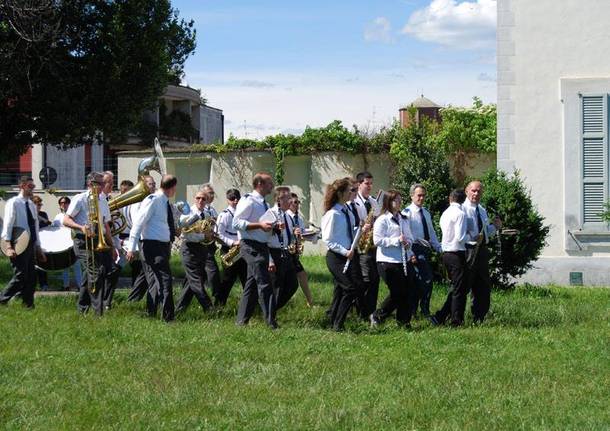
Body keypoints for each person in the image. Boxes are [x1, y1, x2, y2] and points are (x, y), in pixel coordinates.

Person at [127, 175, 178, 322]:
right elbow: (138, 223)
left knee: (155, 281)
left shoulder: (163, 201)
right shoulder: (153, 200)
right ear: (173, 187)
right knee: (165, 280)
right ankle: (168, 318)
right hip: (152, 246)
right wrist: (131, 247)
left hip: (161, 246)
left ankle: (152, 312)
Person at [63, 172, 115, 315]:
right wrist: (81, 227)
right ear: (89, 184)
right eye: (99, 183)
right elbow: (66, 220)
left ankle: (82, 308)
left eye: (102, 183)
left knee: (96, 273)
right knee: (95, 273)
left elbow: (106, 226)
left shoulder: (103, 200)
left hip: (99, 239)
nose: (102, 186)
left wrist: (112, 246)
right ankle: (98, 312)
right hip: (82, 240)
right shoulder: (80, 199)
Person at [232, 172, 277, 329]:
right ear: (260, 184)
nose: (272, 186)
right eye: (269, 183)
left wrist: (274, 227)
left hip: (261, 246)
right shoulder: (249, 200)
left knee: (251, 286)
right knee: (265, 283)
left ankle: (240, 322)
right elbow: (236, 222)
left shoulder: (263, 203)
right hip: (251, 246)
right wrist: (259, 226)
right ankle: (271, 323)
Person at [370, 190, 417, 328]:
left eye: (400, 199)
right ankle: (378, 315)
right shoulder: (382, 220)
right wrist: (396, 240)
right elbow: (377, 241)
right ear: (388, 202)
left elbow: (410, 237)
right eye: (395, 199)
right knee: (397, 292)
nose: (399, 202)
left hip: (403, 260)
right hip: (387, 261)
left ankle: (404, 322)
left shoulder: (403, 218)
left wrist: (408, 243)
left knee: (408, 291)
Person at [321, 177, 363, 331]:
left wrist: (360, 231)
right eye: (349, 191)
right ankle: (338, 324)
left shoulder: (347, 211)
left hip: (349, 254)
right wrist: (345, 251)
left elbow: (348, 231)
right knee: (349, 288)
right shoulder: (332, 214)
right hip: (336, 257)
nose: (352, 193)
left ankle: (333, 320)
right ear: (340, 193)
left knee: (343, 289)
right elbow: (328, 239)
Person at [0, 176, 46, 307]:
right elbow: (8, 224)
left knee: (31, 277)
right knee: (21, 275)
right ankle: (2, 299)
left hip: (30, 244)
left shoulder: (31, 204)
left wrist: (38, 247)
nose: (33, 189)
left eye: (33, 186)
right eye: (30, 186)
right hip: (18, 243)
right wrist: (8, 246)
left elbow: (35, 227)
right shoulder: (13, 202)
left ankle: (28, 305)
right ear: (22, 186)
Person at [463, 180, 502, 324]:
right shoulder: (462, 210)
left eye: (479, 191)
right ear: (467, 191)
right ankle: (452, 316)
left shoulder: (482, 210)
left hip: (482, 251)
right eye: (473, 190)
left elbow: (485, 232)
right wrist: (472, 238)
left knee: (483, 285)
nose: (476, 193)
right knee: (465, 284)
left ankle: (479, 317)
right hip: (469, 250)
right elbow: (458, 234)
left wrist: (495, 227)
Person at [401, 184, 442, 317]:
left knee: (423, 281)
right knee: (426, 279)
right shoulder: (407, 213)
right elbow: (406, 235)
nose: (422, 198)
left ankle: (418, 310)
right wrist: (410, 253)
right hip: (414, 249)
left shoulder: (426, 213)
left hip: (425, 249)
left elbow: (431, 232)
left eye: (423, 195)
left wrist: (439, 247)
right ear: (412, 196)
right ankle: (419, 310)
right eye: (419, 195)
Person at [430, 189, 468, 326]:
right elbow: (460, 237)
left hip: (446, 253)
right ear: (463, 200)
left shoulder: (445, 213)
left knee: (457, 286)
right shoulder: (460, 213)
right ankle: (455, 319)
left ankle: (442, 316)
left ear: (450, 198)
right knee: (459, 288)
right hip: (456, 252)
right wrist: (473, 238)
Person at [175, 187, 215, 315]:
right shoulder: (188, 213)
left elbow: (209, 231)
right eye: (198, 198)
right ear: (194, 199)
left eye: (203, 199)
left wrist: (211, 234)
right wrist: (204, 236)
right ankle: (209, 308)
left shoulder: (207, 215)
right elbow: (187, 235)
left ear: (207, 200)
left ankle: (179, 309)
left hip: (202, 249)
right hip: (189, 249)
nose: (200, 200)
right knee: (196, 280)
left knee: (191, 281)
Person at [353, 171, 380, 320]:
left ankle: (371, 311)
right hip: (360, 245)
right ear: (359, 184)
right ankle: (361, 312)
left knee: (374, 280)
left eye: (371, 183)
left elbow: (376, 218)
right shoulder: (354, 201)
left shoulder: (373, 201)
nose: (369, 186)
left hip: (373, 244)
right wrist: (363, 227)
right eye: (366, 183)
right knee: (366, 279)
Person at [267, 186, 299, 310]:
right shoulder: (270, 214)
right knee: (277, 287)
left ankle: (272, 309)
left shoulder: (287, 216)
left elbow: (288, 236)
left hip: (285, 253)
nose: (291, 201)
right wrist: (269, 259)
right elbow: (263, 240)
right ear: (279, 200)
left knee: (292, 284)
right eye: (288, 198)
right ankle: (270, 316)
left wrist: (295, 234)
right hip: (274, 253)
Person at [125, 175, 155, 302]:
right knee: (151, 274)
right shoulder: (138, 202)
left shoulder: (154, 200)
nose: (154, 186)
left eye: (154, 183)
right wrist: (131, 248)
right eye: (150, 184)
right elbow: (137, 224)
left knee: (145, 273)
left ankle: (133, 300)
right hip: (146, 241)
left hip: (155, 241)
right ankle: (153, 304)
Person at [215, 188, 247, 306]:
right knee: (228, 279)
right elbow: (218, 233)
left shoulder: (242, 214)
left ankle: (251, 306)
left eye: (237, 198)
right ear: (228, 200)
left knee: (246, 278)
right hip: (229, 249)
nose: (235, 200)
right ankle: (219, 305)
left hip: (241, 249)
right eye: (232, 198)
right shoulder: (225, 215)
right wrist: (232, 243)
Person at [285, 193, 313, 307]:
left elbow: (301, 234)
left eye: (298, 202)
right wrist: (292, 231)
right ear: (289, 203)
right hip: (286, 252)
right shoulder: (285, 216)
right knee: (297, 277)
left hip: (294, 252)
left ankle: (310, 302)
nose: (297, 205)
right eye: (295, 202)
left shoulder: (299, 218)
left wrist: (308, 236)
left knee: (302, 275)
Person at [199, 183, 222, 303]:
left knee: (198, 276)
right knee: (213, 273)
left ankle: (182, 305)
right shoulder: (199, 209)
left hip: (211, 244)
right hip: (202, 244)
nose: (212, 196)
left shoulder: (212, 209)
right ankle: (216, 300)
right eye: (209, 193)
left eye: (213, 193)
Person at [53, 196, 82, 291]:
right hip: (62, 244)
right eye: (61, 203)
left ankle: (80, 286)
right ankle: (66, 286)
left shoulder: (74, 215)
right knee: (64, 266)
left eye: (65, 202)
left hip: (73, 242)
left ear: (69, 204)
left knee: (76, 265)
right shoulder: (57, 217)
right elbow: (54, 230)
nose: (63, 204)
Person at [101, 171, 121, 310]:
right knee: (103, 272)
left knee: (113, 270)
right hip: (98, 241)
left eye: (113, 181)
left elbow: (112, 224)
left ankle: (106, 302)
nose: (112, 184)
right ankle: (100, 302)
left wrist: (115, 245)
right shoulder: (97, 200)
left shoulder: (108, 200)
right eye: (110, 182)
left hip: (110, 241)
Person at [32, 195, 51, 291]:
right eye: (37, 204)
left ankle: (44, 284)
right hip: (31, 242)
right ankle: (32, 285)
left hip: (42, 242)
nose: (39, 206)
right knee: (32, 265)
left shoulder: (43, 214)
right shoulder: (29, 214)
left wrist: (39, 216)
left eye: (40, 204)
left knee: (42, 263)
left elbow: (47, 224)